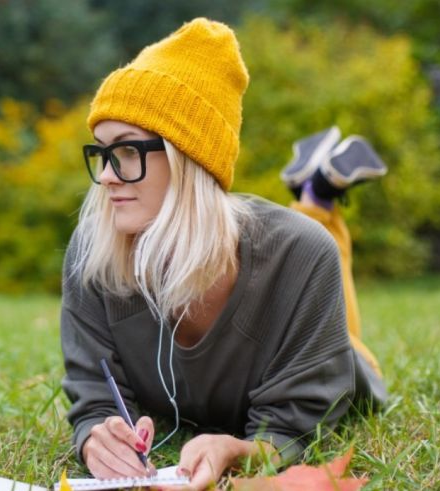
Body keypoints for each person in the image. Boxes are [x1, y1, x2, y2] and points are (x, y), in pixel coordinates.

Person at [59, 18, 387, 490]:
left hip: (334, 347)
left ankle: (318, 199)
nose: (108, 176)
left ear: (187, 158)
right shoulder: (92, 252)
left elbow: (298, 422)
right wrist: (97, 433)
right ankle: (315, 188)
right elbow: (93, 393)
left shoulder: (300, 256)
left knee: (324, 251)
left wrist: (241, 450)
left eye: (128, 151)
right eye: (102, 153)